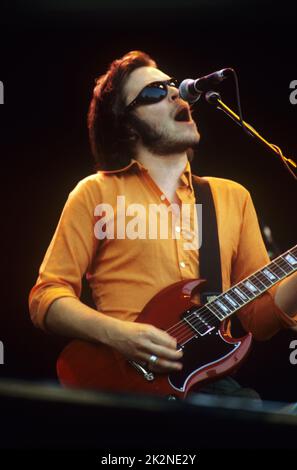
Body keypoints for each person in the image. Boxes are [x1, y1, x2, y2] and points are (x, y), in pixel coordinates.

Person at [28, 51, 297, 397]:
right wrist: (121, 335)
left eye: (172, 86)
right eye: (154, 92)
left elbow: (259, 320)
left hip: (211, 389)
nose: (175, 93)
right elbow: (46, 297)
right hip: (124, 391)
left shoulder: (232, 197)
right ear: (127, 125)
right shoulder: (96, 192)